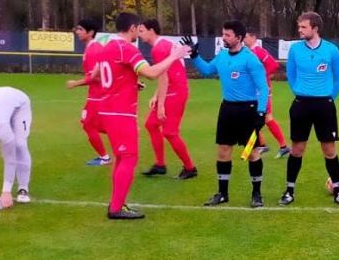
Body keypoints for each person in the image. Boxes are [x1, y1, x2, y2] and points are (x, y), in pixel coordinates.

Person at [94, 12, 191, 220]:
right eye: (137, 28)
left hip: (107, 110)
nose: (139, 32)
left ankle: (117, 203)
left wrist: (130, 83)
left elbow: (104, 75)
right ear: (132, 28)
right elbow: (153, 72)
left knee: (122, 157)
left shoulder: (107, 47)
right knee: (129, 157)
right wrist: (175, 56)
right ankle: (116, 208)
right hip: (120, 113)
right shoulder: (126, 48)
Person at [183, 21, 271, 208]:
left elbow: (263, 88)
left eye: (228, 35)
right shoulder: (222, 56)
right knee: (223, 152)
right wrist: (195, 55)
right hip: (227, 110)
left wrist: (261, 112)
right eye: (223, 34)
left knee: (253, 154)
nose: (224, 38)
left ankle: (256, 194)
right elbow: (207, 70)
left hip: (248, 110)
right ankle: (222, 194)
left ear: (238, 38)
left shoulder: (250, 59)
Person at [281, 12, 339, 206]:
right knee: (297, 149)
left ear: (315, 28)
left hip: (324, 106)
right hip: (301, 104)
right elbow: (291, 75)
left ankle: (337, 190)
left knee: (329, 149)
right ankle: (289, 191)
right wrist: (300, 92)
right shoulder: (295, 50)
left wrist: (328, 97)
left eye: (303, 27)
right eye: (299, 26)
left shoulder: (331, 50)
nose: (299, 30)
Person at [138, 19, 197, 179]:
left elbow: (163, 77)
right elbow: (164, 74)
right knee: (151, 125)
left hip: (175, 93)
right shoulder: (163, 45)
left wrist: (161, 103)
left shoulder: (159, 48)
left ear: (151, 30)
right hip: (173, 90)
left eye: (142, 30)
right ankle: (160, 165)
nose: (139, 33)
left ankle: (190, 168)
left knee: (170, 132)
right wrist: (156, 96)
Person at [65, 18, 111, 166]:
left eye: (80, 29)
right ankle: (122, 133)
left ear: (90, 32)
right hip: (98, 95)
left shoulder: (93, 49)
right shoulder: (93, 47)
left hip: (97, 96)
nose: (77, 32)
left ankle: (104, 157)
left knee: (88, 125)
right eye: (77, 29)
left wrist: (75, 83)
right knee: (98, 125)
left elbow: (96, 77)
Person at [245, 29, 290, 158]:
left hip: (262, 90)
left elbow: (273, 65)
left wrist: (262, 77)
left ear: (254, 37)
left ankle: (282, 146)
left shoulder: (259, 51)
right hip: (254, 90)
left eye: (247, 37)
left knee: (265, 118)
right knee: (256, 118)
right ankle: (264, 145)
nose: (244, 39)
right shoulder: (249, 52)